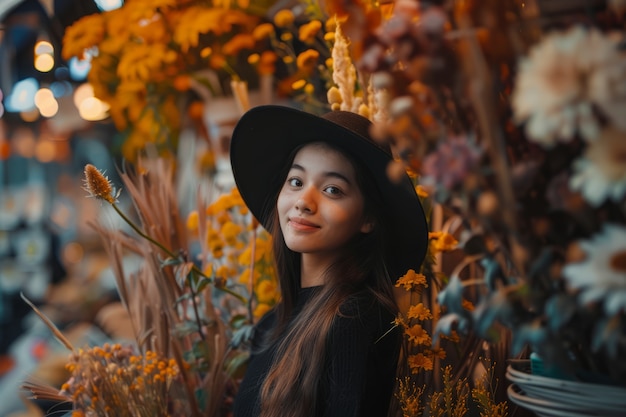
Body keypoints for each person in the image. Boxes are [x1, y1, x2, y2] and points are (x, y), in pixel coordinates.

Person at [229, 105, 428, 417]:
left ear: (368, 218)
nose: (304, 202)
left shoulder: (354, 319)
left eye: (332, 189)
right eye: (296, 181)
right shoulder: (269, 324)